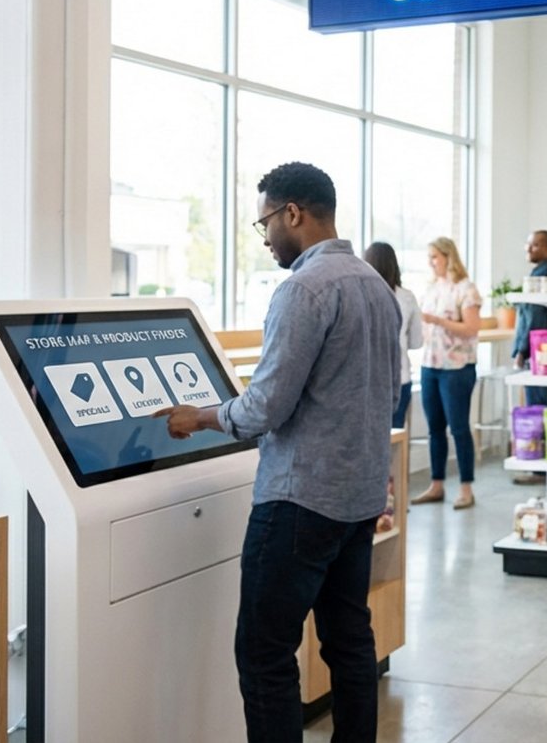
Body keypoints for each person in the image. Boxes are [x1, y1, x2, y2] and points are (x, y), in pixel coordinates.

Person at [156, 161, 401, 743]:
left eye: (264, 221)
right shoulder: (377, 288)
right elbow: (387, 395)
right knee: (350, 643)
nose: (264, 237)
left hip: (299, 503)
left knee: (264, 654)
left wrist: (199, 417)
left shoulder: (303, 290)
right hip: (359, 499)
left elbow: (265, 408)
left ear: (293, 212)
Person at [410, 236, 483, 510]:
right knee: (435, 429)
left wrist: (439, 320)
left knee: (460, 428)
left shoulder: (466, 289)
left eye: (435, 257)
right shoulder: (431, 289)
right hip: (431, 365)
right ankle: (436, 484)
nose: (431, 262)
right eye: (429, 257)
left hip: (457, 368)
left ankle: (466, 488)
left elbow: (472, 328)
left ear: (448, 257)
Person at [363, 241, 424, 431]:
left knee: (367, 440)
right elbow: (416, 341)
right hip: (400, 378)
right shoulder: (407, 297)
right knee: (394, 439)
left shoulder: (360, 295)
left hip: (366, 379)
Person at [511, 229, 547, 485]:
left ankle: (541, 469)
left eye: (536, 245)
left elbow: (534, 319)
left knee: (538, 408)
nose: (529, 249)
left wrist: (522, 351)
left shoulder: (542, 277)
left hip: (538, 355)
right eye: (528, 244)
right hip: (543, 353)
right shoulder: (540, 274)